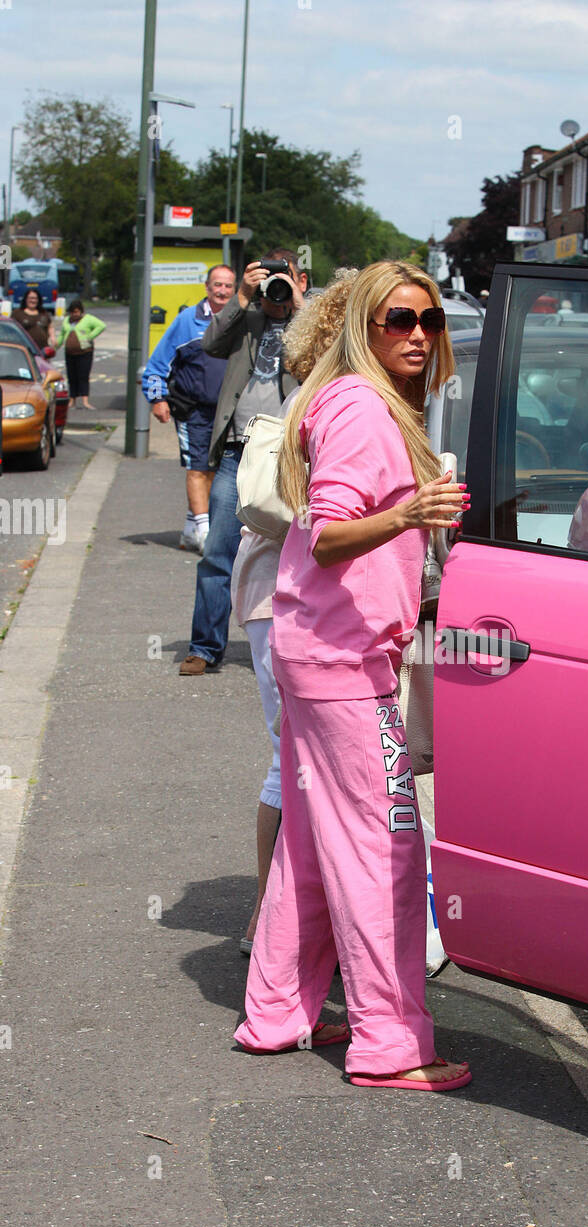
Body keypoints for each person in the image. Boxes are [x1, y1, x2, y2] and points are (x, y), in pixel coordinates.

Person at [234, 260, 472, 1092]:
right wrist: (410, 513)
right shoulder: (364, 412)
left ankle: (276, 1012)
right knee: (387, 852)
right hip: (343, 661)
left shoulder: (347, 403)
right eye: (396, 320)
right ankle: (389, 1044)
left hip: (320, 649)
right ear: (360, 328)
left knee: (308, 844)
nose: (415, 335)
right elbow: (332, 533)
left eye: (428, 321)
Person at [232, 267, 359, 957]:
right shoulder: (330, 401)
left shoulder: (324, 395)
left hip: (282, 591)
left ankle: (285, 920)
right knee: (296, 757)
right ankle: (275, 923)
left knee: (302, 757)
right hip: (283, 592)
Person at [178, 250, 308, 676]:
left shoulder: (307, 322)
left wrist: (300, 304)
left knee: (294, 553)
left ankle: (289, 646)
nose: (275, 288)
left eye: (283, 279)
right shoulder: (247, 318)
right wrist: (241, 296)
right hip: (237, 451)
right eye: (269, 279)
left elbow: (330, 357)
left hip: (289, 454)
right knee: (218, 550)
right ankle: (205, 646)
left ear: (300, 279)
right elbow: (211, 343)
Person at [141, 265, 236, 553]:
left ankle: (189, 530)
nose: (221, 291)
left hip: (227, 413)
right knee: (198, 469)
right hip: (192, 410)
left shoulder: (240, 320)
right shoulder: (187, 321)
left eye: (227, 286)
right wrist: (157, 399)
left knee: (216, 473)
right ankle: (206, 536)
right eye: (216, 285)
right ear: (207, 287)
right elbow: (157, 365)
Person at [60, 300, 106, 408]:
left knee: (83, 376)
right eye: (72, 312)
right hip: (70, 352)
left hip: (85, 351)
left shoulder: (88, 319)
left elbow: (101, 326)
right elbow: (62, 334)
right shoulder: (67, 320)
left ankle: (85, 401)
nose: (75, 314)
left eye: (77, 312)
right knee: (72, 376)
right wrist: (56, 345)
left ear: (81, 311)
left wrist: (89, 336)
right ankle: (72, 400)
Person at [11, 287, 57, 359]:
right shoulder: (17, 313)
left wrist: (53, 337)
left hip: (42, 350)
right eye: (31, 298)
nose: (33, 300)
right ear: (26, 299)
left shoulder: (43, 313)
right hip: (24, 351)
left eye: (35, 298)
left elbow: (50, 326)